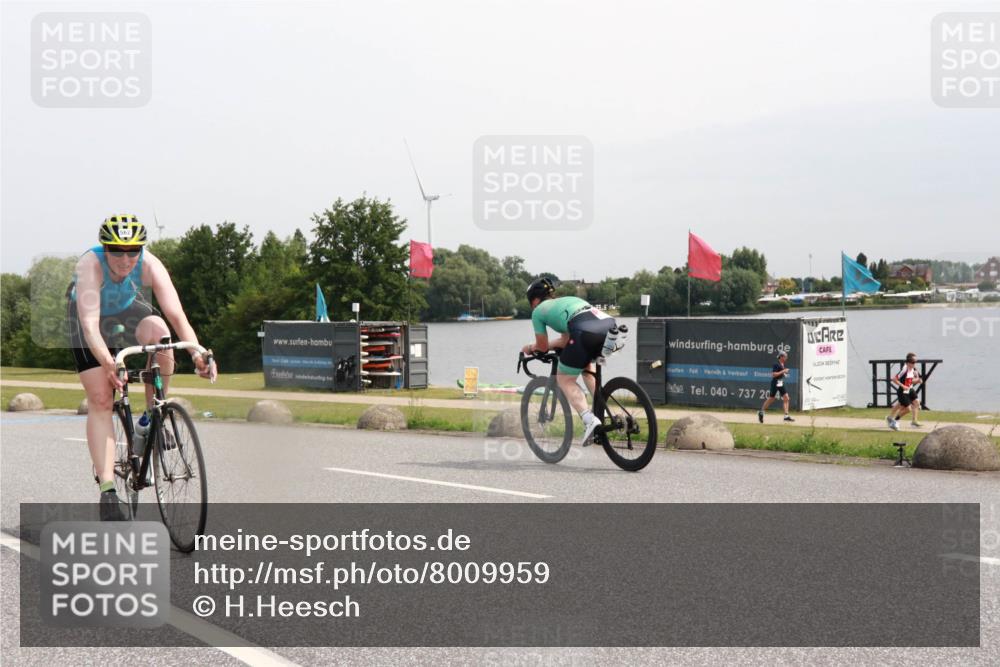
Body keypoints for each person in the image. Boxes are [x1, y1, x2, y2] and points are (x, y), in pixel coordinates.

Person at [68, 215, 215, 520]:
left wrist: (198, 353)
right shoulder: (90, 266)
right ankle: (108, 491)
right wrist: (109, 362)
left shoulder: (150, 264)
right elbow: (90, 325)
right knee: (101, 398)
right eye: (117, 251)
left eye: (133, 251)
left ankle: (152, 416)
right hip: (89, 319)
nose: (125, 259)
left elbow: (177, 315)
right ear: (105, 248)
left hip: (125, 309)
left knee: (162, 333)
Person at [521, 277, 617, 446]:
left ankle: (589, 420)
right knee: (586, 367)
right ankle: (606, 413)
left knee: (564, 379)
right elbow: (565, 340)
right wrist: (549, 346)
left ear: (534, 300)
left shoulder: (538, 312)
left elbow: (541, 347)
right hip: (608, 326)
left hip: (583, 331)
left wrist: (529, 347)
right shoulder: (568, 301)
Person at [886, 352, 922, 430]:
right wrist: (903, 386)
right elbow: (894, 379)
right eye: (913, 362)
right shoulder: (905, 369)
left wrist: (918, 380)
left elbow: (910, 381)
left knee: (916, 402)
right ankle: (894, 420)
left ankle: (914, 421)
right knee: (907, 408)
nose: (915, 364)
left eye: (915, 362)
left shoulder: (913, 369)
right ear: (908, 362)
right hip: (903, 391)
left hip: (910, 389)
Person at [758, 351, 794, 423]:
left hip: (780, 382)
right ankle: (761, 412)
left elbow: (780, 373)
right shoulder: (776, 364)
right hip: (775, 383)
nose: (786, 358)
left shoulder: (782, 364)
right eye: (785, 356)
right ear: (781, 357)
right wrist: (783, 371)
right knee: (771, 398)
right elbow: (774, 374)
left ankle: (786, 416)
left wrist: (784, 374)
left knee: (786, 398)